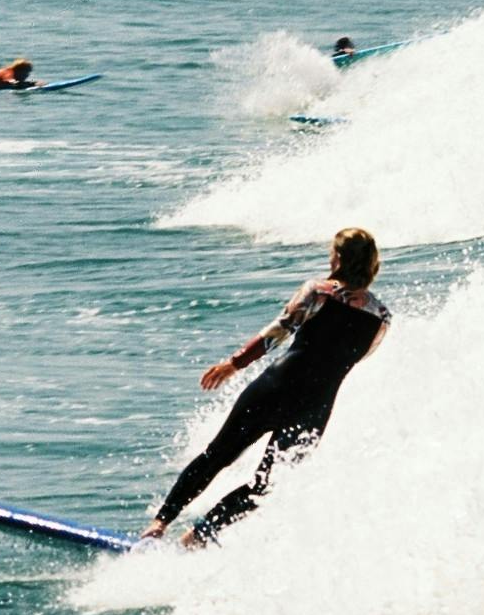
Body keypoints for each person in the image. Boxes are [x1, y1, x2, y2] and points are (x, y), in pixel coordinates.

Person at [146, 227, 392, 545]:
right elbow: (358, 357)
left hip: (275, 389)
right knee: (266, 485)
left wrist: (233, 364)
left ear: (339, 258)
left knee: (218, 455)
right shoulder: (381, 316)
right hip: (314, 408)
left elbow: (277, 332)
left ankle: (160, 524)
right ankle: (199, 536)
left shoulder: (318, 291)